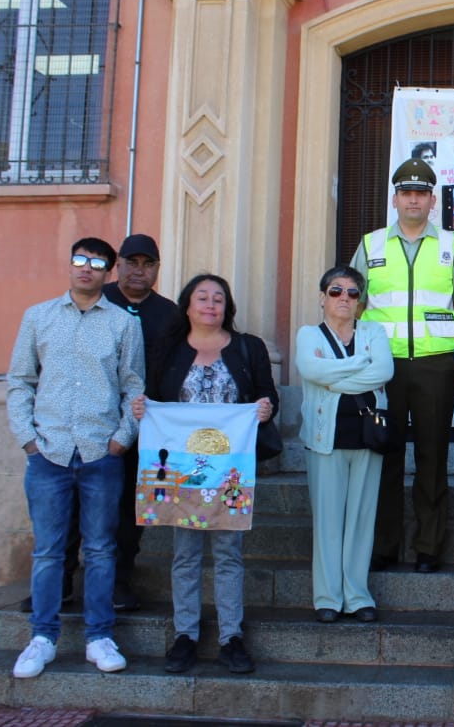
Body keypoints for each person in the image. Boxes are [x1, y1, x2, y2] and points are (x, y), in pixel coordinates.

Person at [7, 237, 144, 679]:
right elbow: (20, 382)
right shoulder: (38, 317)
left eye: (96, 263)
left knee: (102, 548)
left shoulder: (123, 324)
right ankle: (41, 637)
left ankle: (98, 637)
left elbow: (133, 386)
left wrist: (121, 440)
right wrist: (29, 439)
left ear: (109, 271)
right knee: (48, 551)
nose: (86, 269)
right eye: (80, 261)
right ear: (70, 265)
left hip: (101, 452)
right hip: (49, 452)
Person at [133, 274, 279, 675]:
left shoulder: (249, 348)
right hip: (184, 471)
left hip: (230, 470)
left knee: (229, 554)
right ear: (188, 305)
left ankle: (231, 636)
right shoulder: (169, 350)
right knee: (185, 554)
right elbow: (154, 397)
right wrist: (145, 410)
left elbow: (268, 394)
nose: (211, 305)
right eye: (203, 298)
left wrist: (265, 407)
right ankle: (186, 636)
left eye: (218, 298)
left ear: (226, 306)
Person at [353, 156, 454, 573]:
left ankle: (428, 546)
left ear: (432, 200)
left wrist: (438, 333)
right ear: (395, 198)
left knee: (432, 456)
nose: (413, 200)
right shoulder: (371, 245)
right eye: (406, 192)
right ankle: (385, 546)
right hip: (382, 369)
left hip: (434, 365)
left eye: (421, 193)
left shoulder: (452, 245)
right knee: (383, 455)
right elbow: (354, 303)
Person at [295, 266, 394, 624]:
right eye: (336, 291)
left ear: (360, 302)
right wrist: (357, 367)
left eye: (352, 293)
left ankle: (357, 595)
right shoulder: (309, 335)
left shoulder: (374, 331)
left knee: (361, 521)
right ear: (322, 298)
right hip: (326, 439)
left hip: (369, 437)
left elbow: (383, 371)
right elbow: (310, 369)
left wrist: (334, 377)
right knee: (328, 521)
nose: (344, 299)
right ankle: (327, 597)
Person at [103, 233, 179, 611]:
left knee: (130, 512)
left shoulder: (170, 314)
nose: (139, 271)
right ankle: (64, 580)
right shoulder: (97, 302)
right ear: (118, 264)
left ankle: (119, 583)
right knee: (73, 509)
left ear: (157, 269)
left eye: (147, 264)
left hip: (146, 430)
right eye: (132, 262)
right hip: (95, 427)